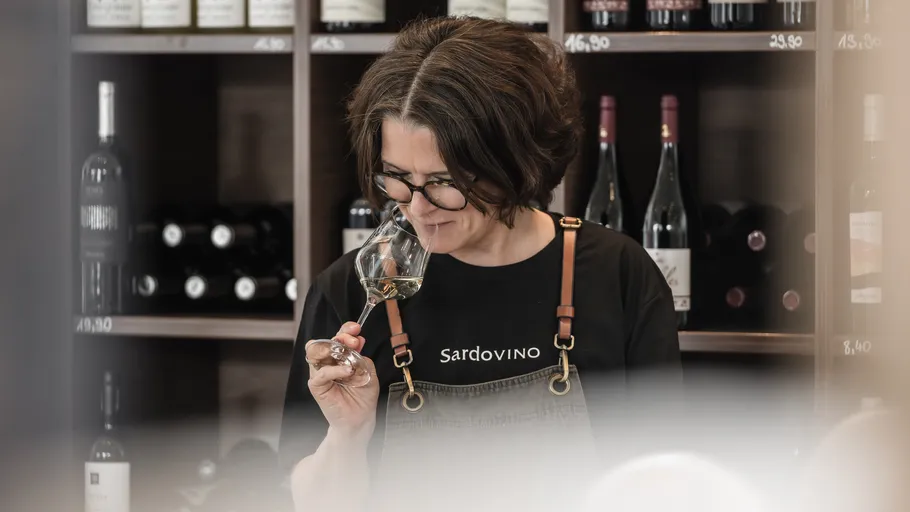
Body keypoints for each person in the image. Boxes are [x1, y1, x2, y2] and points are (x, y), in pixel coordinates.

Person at [279, 15, 682, 512]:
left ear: (516, 161)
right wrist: (347, 435)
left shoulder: (618, 275)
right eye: (397, 178)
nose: (417, 207)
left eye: (444, 181)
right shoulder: (349, 291)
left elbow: (664, 486)